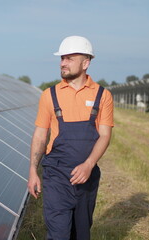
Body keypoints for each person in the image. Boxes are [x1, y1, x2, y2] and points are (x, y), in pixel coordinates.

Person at [27, 36, 114, 240]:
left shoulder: (103, 95)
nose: (63, 63)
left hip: (87, 177)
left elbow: (105, 135)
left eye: (69, 58)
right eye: (62, 58)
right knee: (59, 234)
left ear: (86, 63)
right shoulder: (50, 95)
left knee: (81, 234)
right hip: (56, 174)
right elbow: (40, 135)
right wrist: (32, 170)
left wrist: (89, 165)